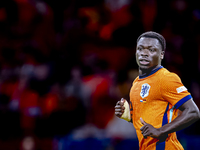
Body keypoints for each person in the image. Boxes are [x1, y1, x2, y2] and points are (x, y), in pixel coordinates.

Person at [115, 31, 200, 150]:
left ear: (161, 55)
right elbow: (147, 120)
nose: (144, 53)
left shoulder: (166, 78)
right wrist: (128, 116)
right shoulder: (135, 83)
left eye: (151, 50)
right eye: (140, 49)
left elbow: (193, 112)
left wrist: (161, 131)